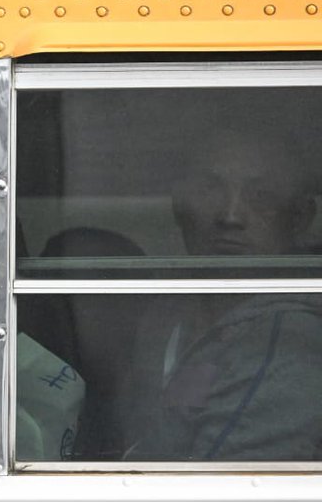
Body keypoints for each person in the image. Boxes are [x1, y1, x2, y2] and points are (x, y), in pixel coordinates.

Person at [121, 130, 322, 460]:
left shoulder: (291, 338)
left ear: (300, 217)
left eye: (261, 196)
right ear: (177, 205)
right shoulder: (163, 316)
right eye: (209, 190)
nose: (230, 215)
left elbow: (229, 495)